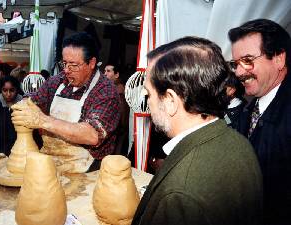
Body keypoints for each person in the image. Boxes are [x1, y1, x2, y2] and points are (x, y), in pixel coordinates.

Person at [132, 36, 262, 225]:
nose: (146, 99)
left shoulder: (180, 194)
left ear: (170, 100)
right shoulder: (238, 142)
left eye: (148, 93)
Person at [11, 32, 120, 173]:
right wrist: (26, 104)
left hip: (89, 168)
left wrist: (41, 120)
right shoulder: (57, 81)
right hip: (51, 160)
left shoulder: (106, 91)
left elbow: (92, 135)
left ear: (91, 63)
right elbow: (33, 100)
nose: (67, 70)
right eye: (64, 63)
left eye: (73, 65)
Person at [228, 19, 291, 225]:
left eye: (247, 60)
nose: (238, 72)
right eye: (235, 64)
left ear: (279, 59)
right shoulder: (248, 110)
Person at [0, 76, 23, 155]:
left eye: (12, 90)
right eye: (5, 90)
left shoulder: (24, 108)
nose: (8, 94)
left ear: (17, 90)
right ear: (0, 90)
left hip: (19, 153)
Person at [104, 63, 129, 155]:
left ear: (117, 75)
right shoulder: (111, 88)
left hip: (117, 129)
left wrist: (120, 127)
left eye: (108, 71)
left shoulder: (119, 90)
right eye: (105, 71)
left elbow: (123, 112)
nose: (105, 74)